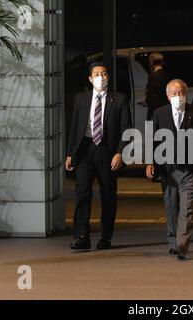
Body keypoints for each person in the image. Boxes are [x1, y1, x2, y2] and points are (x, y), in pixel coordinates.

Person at [66, 61, 131, 250]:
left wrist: (120, 152)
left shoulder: (119, 99)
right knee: (82, 193)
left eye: (104, 74)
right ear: (89, 78)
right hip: (86, 150)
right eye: (96, 74)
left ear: (108, 77)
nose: (100, 78)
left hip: (107, 152)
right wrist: (70, 153)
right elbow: (74, 128)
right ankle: (82, 236)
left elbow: (126, 129)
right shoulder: (81, 99)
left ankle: (106, 236)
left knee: (108, 195)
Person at [146, 79, 193, 260]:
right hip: (169, 169)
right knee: (171, 205)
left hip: (191, 169)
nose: (178, 96)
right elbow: (154, 140)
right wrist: (151, 162)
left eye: (181, 93)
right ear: (168, 96)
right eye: (174, 94)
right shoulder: (160, 113)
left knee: (188, 208)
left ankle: (183, 243)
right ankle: (173, 240)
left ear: (186, 94)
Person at [145, 52, 170, 120]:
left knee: (151, 129)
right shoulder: (166, 75)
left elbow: (153, 96)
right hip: (165, 107)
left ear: (151, 62)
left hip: (155, 109)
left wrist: (147, 101)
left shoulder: (153, 76)